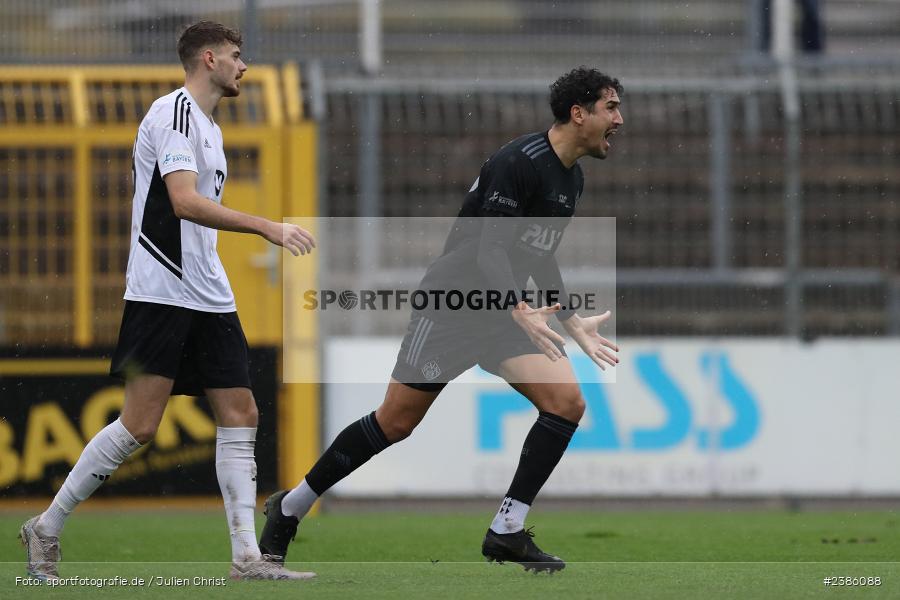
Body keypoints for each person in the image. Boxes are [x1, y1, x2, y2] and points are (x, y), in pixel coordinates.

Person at [260, 67, 623, 573]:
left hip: (504, 315)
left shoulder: (572, 178)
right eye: (611, 107)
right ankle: (291, 506)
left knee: (566, 402)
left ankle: (507, 530)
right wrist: (519, 308)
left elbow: (538, 253)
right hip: (453, 307)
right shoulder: (516, 162)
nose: (619, 119)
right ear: (579, 113)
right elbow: (490, 249)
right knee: (396, 422)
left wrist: (569, 318)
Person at [20, 21, 317, 582]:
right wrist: (264, 227)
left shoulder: (209, 126)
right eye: (235, 56)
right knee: (140, 426)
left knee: (241, 412)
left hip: (209, 293)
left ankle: (248, 559)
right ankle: (47, 525)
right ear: (208, 59)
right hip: (162, 291)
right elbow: (183, 202)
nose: (243, 66)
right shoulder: (172, 113)